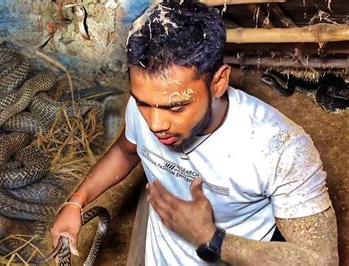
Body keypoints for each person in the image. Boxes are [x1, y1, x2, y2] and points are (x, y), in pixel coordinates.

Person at [50, 0, 339, 264]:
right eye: (143, 103)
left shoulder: (281, 148)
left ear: (218, 82)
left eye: (175, 107)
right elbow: (127, 149)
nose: (154, 123)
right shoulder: (149, 104)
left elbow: (319, 260)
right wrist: (77, 202)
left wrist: (212, 239)